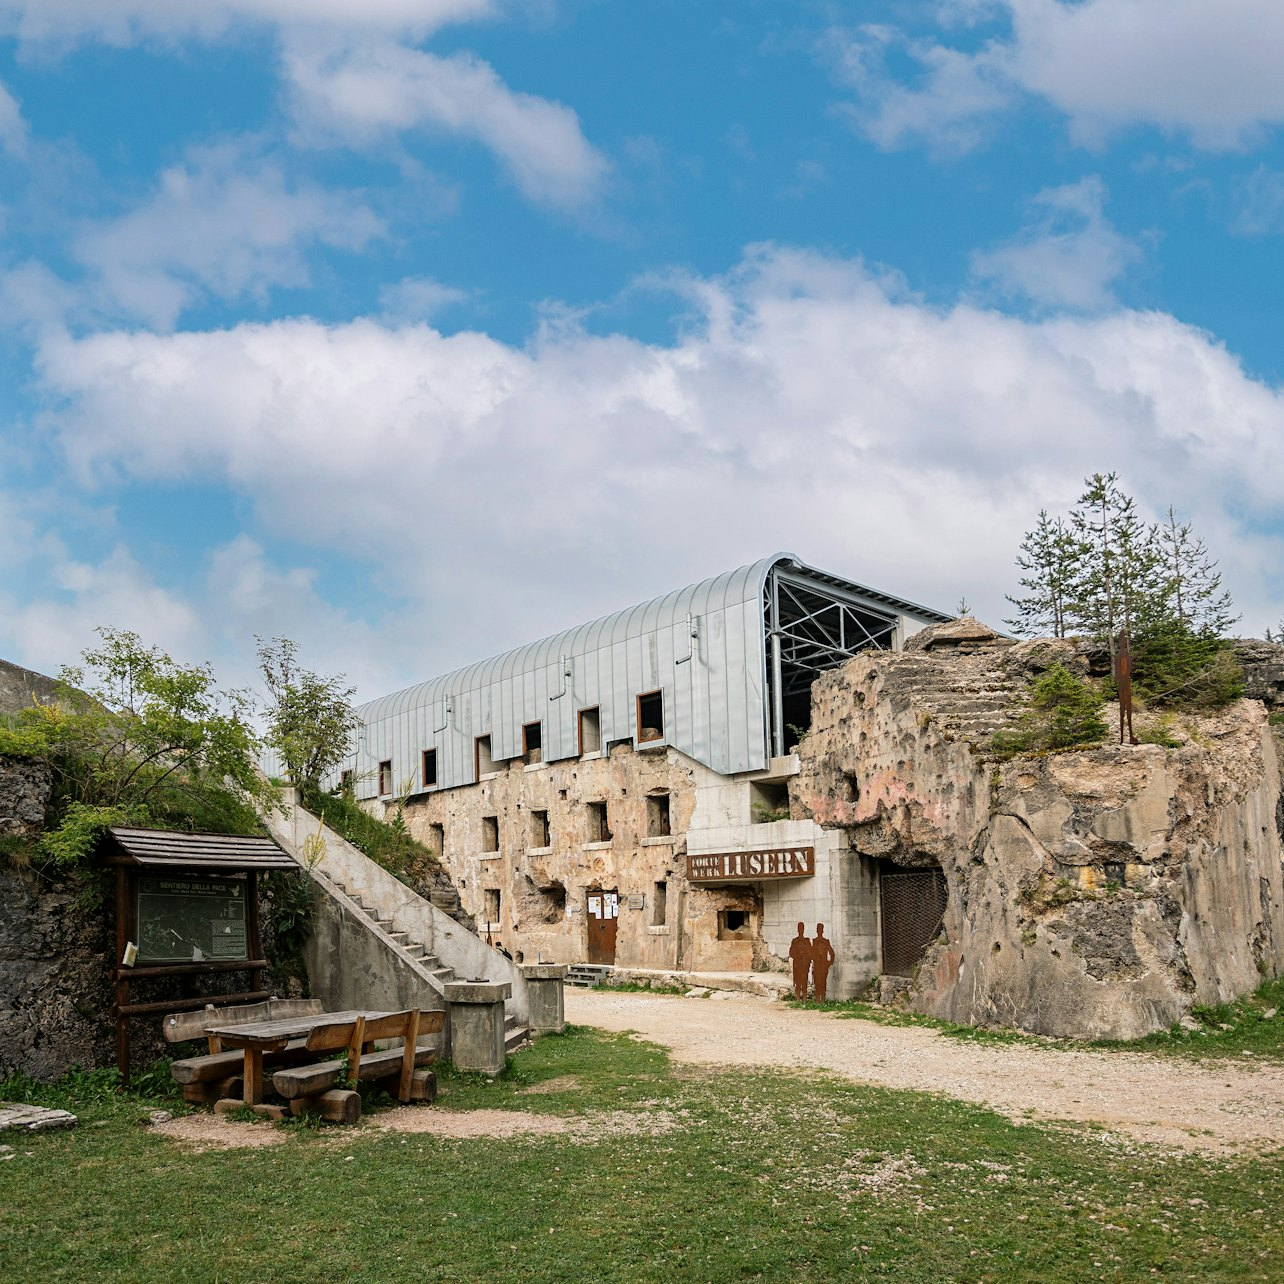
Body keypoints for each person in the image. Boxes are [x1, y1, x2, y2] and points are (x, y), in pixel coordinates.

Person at [810, 923, 836, 1001]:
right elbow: (811, 952)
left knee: (823, 982)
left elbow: (832, 953)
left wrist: (829, 963)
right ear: (816, 931)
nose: (819, 931)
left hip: (824, 965)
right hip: (816, 965)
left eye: (820, 929)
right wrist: (813, 959)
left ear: (822, 931)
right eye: (818, 929)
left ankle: (823, 999)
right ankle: (817, 999)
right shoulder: (814, 941)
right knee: (816, 982)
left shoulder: (826, 941)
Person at [788, 922, 812, 1000]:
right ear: (798, 930)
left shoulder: (807, 941)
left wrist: (805, 955)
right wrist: (798, 954)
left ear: (803, 929)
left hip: (804, 964)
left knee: (804, 981)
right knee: (798, 982)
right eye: (799, 929)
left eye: (802, 928)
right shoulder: (795, 941)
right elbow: (791, 953)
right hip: (797, 964)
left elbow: (810, 952)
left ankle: (804, 998)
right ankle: (797, 998)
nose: (801, 930)